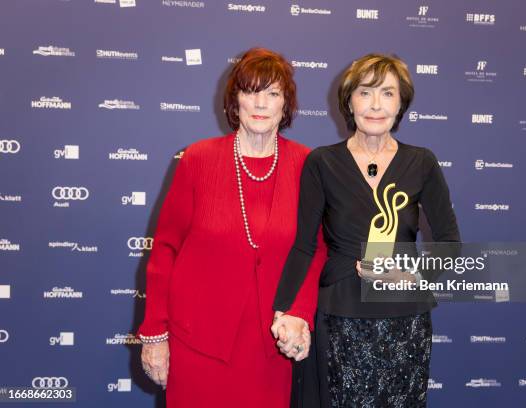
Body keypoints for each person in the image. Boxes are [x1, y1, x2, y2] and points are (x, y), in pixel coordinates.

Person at [137, 47, 326, 407]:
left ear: (285, 106)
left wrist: (300, 312)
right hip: (198, 341)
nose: (261, 103)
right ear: (234, 99)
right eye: (251, 90)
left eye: (273, 93)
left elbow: (318, 247)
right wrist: (154, 335)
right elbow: (165, 250)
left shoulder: (306, 164)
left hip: (272, 347)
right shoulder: (198, 159)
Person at [272, 54, 460, 407]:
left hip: (404, 320)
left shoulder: (422, 162)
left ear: (401, 102)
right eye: (365, 92)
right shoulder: (322, 162)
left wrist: (407, 277)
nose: (376, 105)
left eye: (388, 93)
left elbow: (450, 245)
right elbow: (304, 247)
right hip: (340, 315)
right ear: (349, 101)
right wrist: (285, 310)